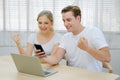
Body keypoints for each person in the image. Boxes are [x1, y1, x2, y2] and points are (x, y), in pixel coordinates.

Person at [35, 5, 111, 72]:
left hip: (92, 76)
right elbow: (56, 58)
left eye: (68, 20)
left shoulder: (93, 32)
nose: (65, 24)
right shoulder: (66, 37)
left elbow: (107, 58)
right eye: (64, 20)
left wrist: (87, 48)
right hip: (73, 75)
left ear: (78, 18)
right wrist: (43, 56)